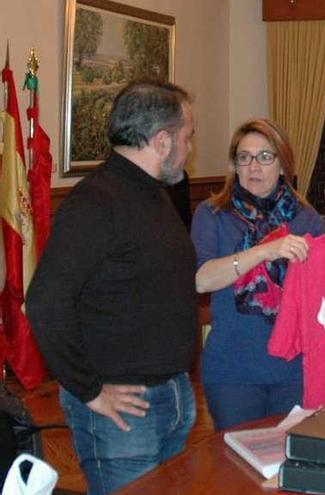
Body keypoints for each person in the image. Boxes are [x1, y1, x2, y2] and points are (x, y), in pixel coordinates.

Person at [25, 80, 198, 495]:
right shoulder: (96, 202)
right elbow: (45, 301)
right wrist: (90, 391)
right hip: (124, 413)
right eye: (187, 137)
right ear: (161, 141)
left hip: (171, 399)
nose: (190, 147)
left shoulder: (155, 193)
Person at [190, 117, 325, 430]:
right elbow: (202, 279)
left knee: (285, 465)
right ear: (235, 166)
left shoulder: (305, 217)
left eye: (265, 157)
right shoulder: (212, 214)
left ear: (282, 165)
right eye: (244, 157)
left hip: (294, 370)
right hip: (232, 372)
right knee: (236, 472)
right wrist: (264, 250)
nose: (254, 166)